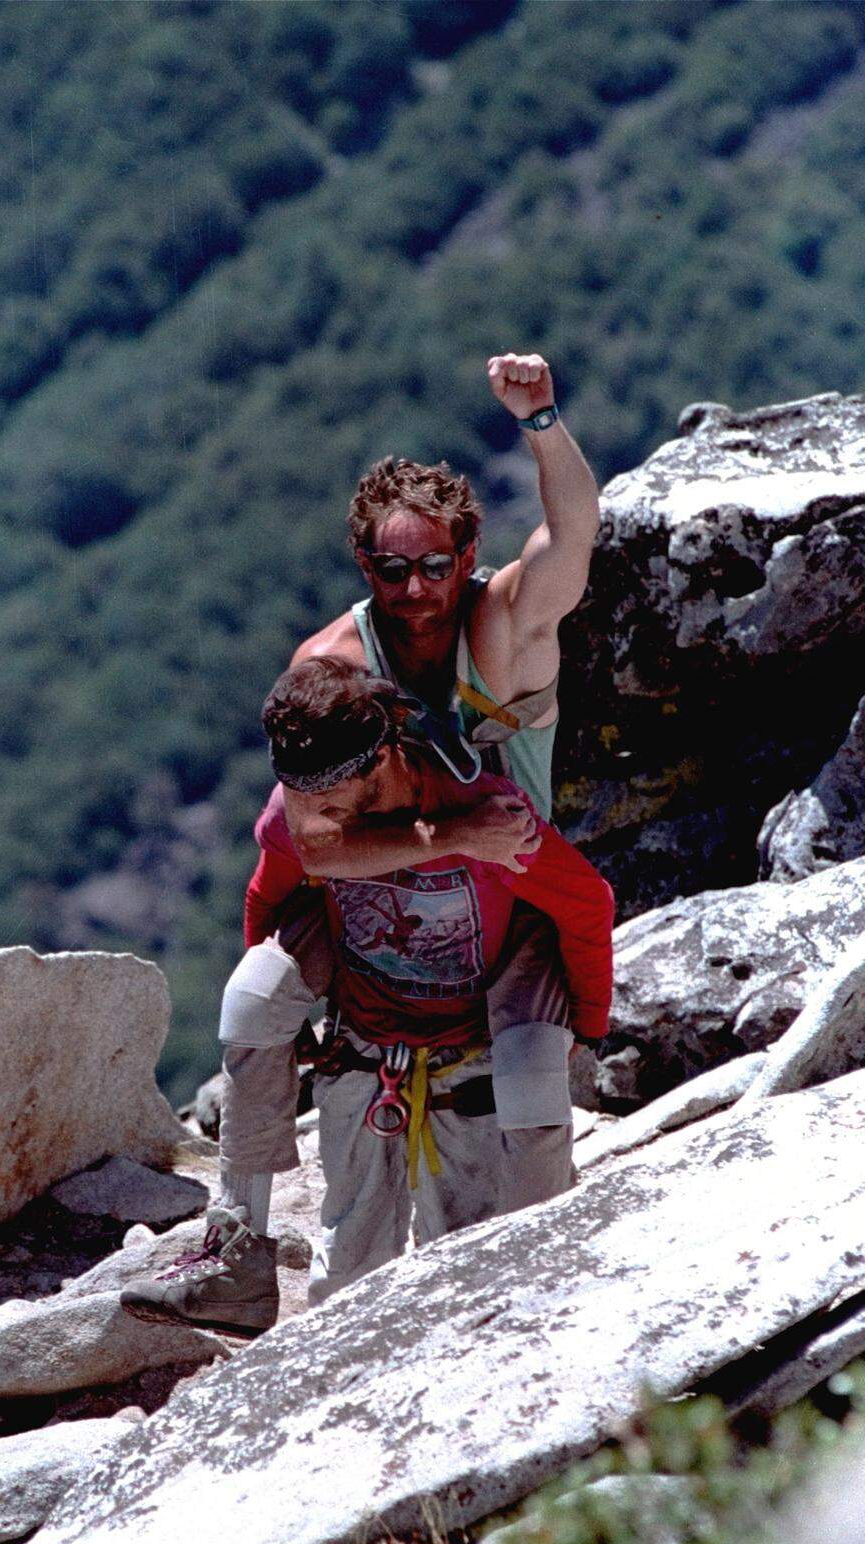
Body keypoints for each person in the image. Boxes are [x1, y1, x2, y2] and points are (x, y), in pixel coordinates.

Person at [121, 352, 602, 1333]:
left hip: (507, 897)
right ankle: (238, 1254)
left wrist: (542, 420)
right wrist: (451, 832)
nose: (417, 588)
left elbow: (576, 538)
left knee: (531, 1076)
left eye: (435, 565)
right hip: (383, 898)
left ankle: (548, 1285)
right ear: (364, 567)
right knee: (254, 993)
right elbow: (316, 846)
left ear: (468, 557)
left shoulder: (503, 633)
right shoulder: (331, 670)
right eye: (393, 568)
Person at [121, 658, 613, 1326]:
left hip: (477, 1032)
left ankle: (543, 1288)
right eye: (294, 791)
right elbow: (268, 895)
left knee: (472, 1275)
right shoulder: (302, 817)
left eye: (323, 797)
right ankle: (236, 1253)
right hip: (368, 1033)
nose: (304, 815)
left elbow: (585, 902)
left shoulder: (486, 818)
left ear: (377, 761)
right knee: (348, 1288)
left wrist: (588, 1024)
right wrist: (287, 1016)